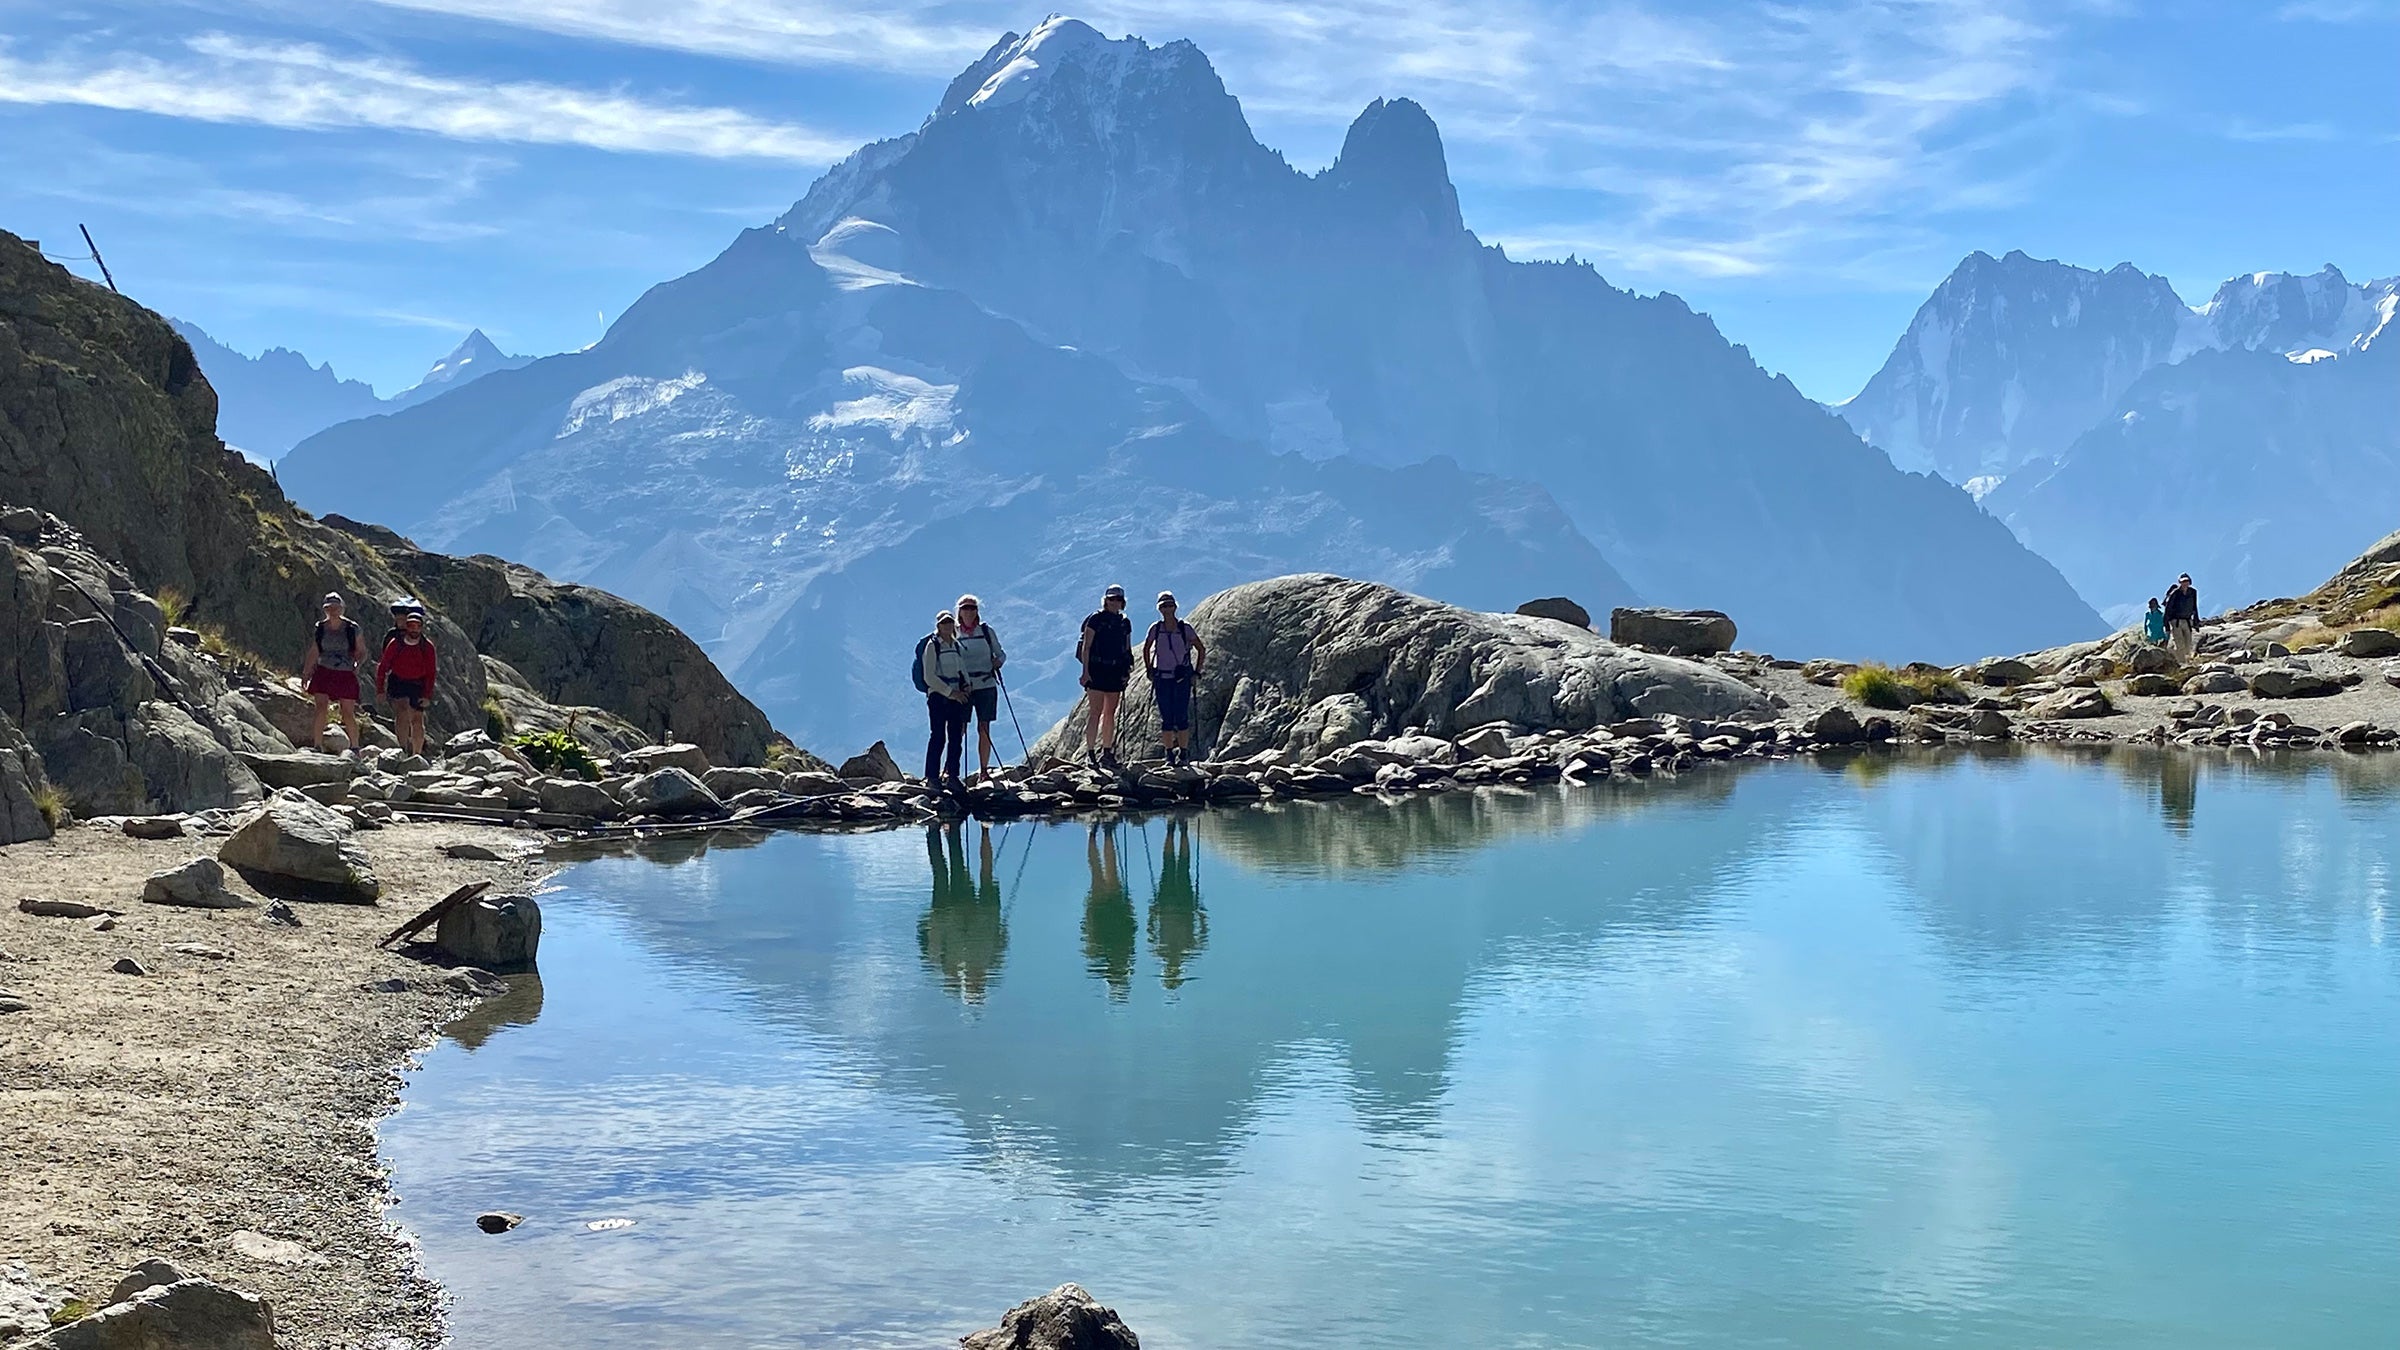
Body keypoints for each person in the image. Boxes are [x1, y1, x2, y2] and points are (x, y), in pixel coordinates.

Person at [1143, 591, 1206, 765]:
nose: (1167, 609)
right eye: (1163, 606)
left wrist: (1196, 671)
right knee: (1167, 718)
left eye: (1169, 605)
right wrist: (1150, 669)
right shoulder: (1155, 629)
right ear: (1159, 609)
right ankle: (1170, 754)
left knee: (1181, 717)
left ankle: (1183, 754)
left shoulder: (1184, 628)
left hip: (1180, 678)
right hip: (1163, 678)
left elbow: (1201, 648)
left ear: (1175, 607)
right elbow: (1146, 648)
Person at [1077, 584, 1135, 768]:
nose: (1115, 602)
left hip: (1115, 672)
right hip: (1097, 671)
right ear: (1106, 600)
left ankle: (1107, 752)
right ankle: (1091, 753)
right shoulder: (1095, 619)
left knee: (1109, 713)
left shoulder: (1125, 622)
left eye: (1118, 599)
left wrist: (1126, 671)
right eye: (1112, 599)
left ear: (1123, 602)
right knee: (1095, 712)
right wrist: (1085, 672)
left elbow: (1127, 649)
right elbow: (1086, 647)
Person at [301, 591, 366, 754]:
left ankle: (355, 747)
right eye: (329, 608)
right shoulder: (320, 628)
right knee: (321, 707)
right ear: (325, 609)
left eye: (336, 607)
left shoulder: (352, 628)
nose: (333, 611)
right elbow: (315, 650)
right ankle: (317, 745)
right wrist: (307, 672)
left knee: (347, 712)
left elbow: (362, 651)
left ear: (342, 608)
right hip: (324, 671)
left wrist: (357, 663)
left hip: (345, 672)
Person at [953, 594, 1006, 782]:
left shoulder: (986, 631)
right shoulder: (953, 632)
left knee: (984, 727)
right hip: (963, 687)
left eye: (972, 608)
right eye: (965, 608)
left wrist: (997, 662)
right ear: (959, 611)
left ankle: (983, 771)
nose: (969, 611)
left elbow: (1001, 654)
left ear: (977, 611)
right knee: (959, 728)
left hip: (986, 684)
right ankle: (951, 770)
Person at [919, 610, 971, 792]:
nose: (947, 625)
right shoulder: (933, 646)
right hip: (938, 697)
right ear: (938, 625)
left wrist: (966, 686)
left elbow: (962, 670)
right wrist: (951, 693)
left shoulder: (955, 646)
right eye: (944, 623)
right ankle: (932, 777)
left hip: (956, 696)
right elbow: (929, 677)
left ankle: (952, 776)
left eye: (950, 622)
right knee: (938, 736)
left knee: (956, 737)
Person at [378, 607, 437, 757]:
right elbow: (383, 666)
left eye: (418, 626)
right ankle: (403, 748)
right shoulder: (396, 643)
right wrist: (380, 689)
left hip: (418, 683)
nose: (414, 629)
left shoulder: (427, 647)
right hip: (398, 681)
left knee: (417, 719)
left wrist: (427, 695)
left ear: (422, 628)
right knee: (401, 712)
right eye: (411, 625)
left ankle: (416, 754)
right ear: (406, 626)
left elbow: (431, 673)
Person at [2163, 573, 2199, 660]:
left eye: (2186, 581)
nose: (2185, 583)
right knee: (2179, 644)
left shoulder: (2193, 592)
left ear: (2190, 582)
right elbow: (2168, 608)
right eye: (2183, 581)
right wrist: (2166, 624)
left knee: (2188, 643)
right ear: (2179, 582)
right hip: (2175, 621)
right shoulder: (2175, 593)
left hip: (2187, 620)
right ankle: (2182, 663)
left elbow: (2194, 606)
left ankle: (2184, 659)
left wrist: (2196, 621)